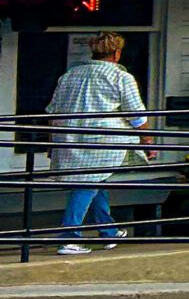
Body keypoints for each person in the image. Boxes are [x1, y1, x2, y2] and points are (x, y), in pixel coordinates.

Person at [46, 33, 150, 256]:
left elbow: (53, 110)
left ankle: (108, 231)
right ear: (117, 53)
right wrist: (148, 140)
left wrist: (52, 141)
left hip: (69, 136)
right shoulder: (121, 77)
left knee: (96, 181)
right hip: (103, 140)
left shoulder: (69, 75)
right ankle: (68, 238)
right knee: (87, 185)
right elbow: (136, 115)